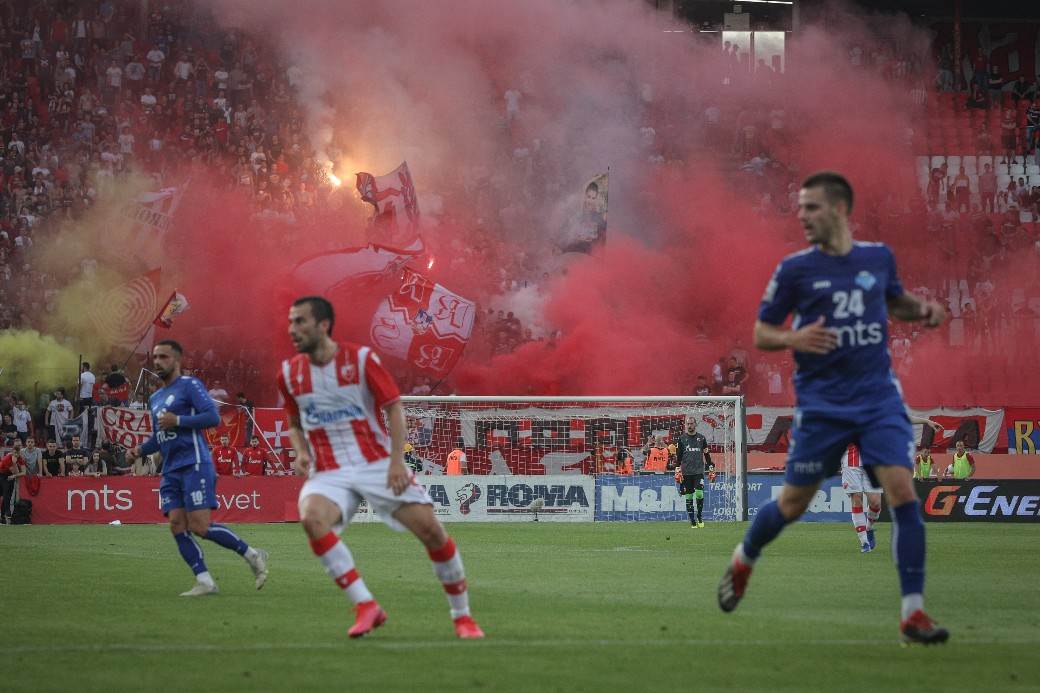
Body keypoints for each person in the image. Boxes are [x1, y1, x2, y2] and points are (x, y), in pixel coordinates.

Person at [717, 171, 949, 645]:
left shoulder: (877, 258)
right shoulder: (795, 270)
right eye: (800, 208)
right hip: (823, 403)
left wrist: (922, 310)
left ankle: (913, 612)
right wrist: (794, 337)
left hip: (878, 397)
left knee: (902, 491)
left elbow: (895, 301)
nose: (802, 216)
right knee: (793, 503)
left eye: (811, 207)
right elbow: (762, 333)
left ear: (840, 209)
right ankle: (744, 558)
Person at [278, 296, 483, 639]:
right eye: (290, 322)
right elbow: (294, 423)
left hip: (374, 463)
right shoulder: (289, 373)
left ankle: (462, 617)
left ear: (323, 325)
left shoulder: (360, 360)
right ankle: (366, 605)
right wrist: (300, 452)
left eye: (300, 321)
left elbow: (394, 408)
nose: (292, 329)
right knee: (311, 518)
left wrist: (397, 462)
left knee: (431, 532)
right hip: (330, 469)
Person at [126, 340, 269, 597]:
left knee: (200, 527)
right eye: (155, 357)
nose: (157, 362)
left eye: (163, 357)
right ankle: (205, 581)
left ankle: (252, 555)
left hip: (194, 462)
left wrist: (178, 419)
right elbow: (159, 436)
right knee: (176, 525)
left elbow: (212, 417)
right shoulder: (155, 398)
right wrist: (139, 450)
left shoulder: (190, 386)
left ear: (176, 360)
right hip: (170, 469)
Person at [840, 443, 882, 553]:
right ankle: (864, 542)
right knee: (856, 498)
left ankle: (868, 528)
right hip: (850, 462)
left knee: (875, 503)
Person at [674, 419, 714, 528]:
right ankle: (692, 521)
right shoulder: (681, 439)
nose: (689, 425)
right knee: (689, 496)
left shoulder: (701, 438)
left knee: (699, 493)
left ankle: (699, 516)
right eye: (687, 424)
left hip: (698, 471)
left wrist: (710, 466)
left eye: (691, 423)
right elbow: (679, 456)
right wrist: (677, 468)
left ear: (695, 424)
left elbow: (706, 454)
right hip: (686, 472)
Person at [0, 441, 25, 523]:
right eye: (15, 453)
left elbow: (24, 472)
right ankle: (7, 512)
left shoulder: (20, 458)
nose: (16, 455)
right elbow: (16, 472)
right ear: (12, 452)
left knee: (8, 495)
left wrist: (14, 476)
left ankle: (3, 516)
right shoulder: (7, 459)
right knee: (5, 494)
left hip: (10, 476)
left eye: (18, 453)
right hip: (2, 475)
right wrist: (14, 463)